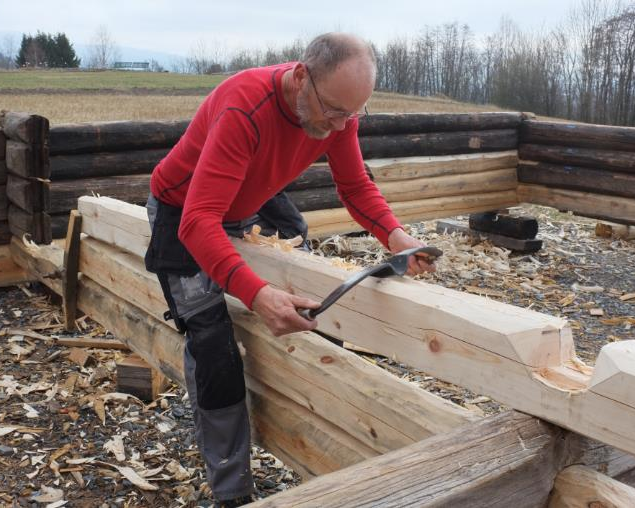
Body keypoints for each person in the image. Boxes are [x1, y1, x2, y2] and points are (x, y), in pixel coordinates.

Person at [145, 32, 435, 507]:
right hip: (182, 211)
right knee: (213, 342)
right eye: (335, 111)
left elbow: (355, 186)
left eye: (353, 114)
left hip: (245, 201)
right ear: (301, 77)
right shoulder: (246, 108)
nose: (341, 124)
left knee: (297, 238)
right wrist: (258, 295)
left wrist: (397, 236)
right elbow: (199, 221)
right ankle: (232, 492)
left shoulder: (337, 110)